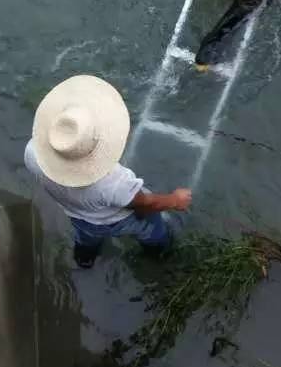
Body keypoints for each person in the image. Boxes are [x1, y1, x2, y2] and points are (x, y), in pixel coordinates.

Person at [24, 74, 191, 269]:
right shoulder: (113, 181)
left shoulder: (32, 152)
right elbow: (145, 205)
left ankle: (84, 260)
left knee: (86, 238)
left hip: (78, 216)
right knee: (152, 232)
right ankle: (159, 254)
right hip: (116, 219)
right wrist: (175, 200)